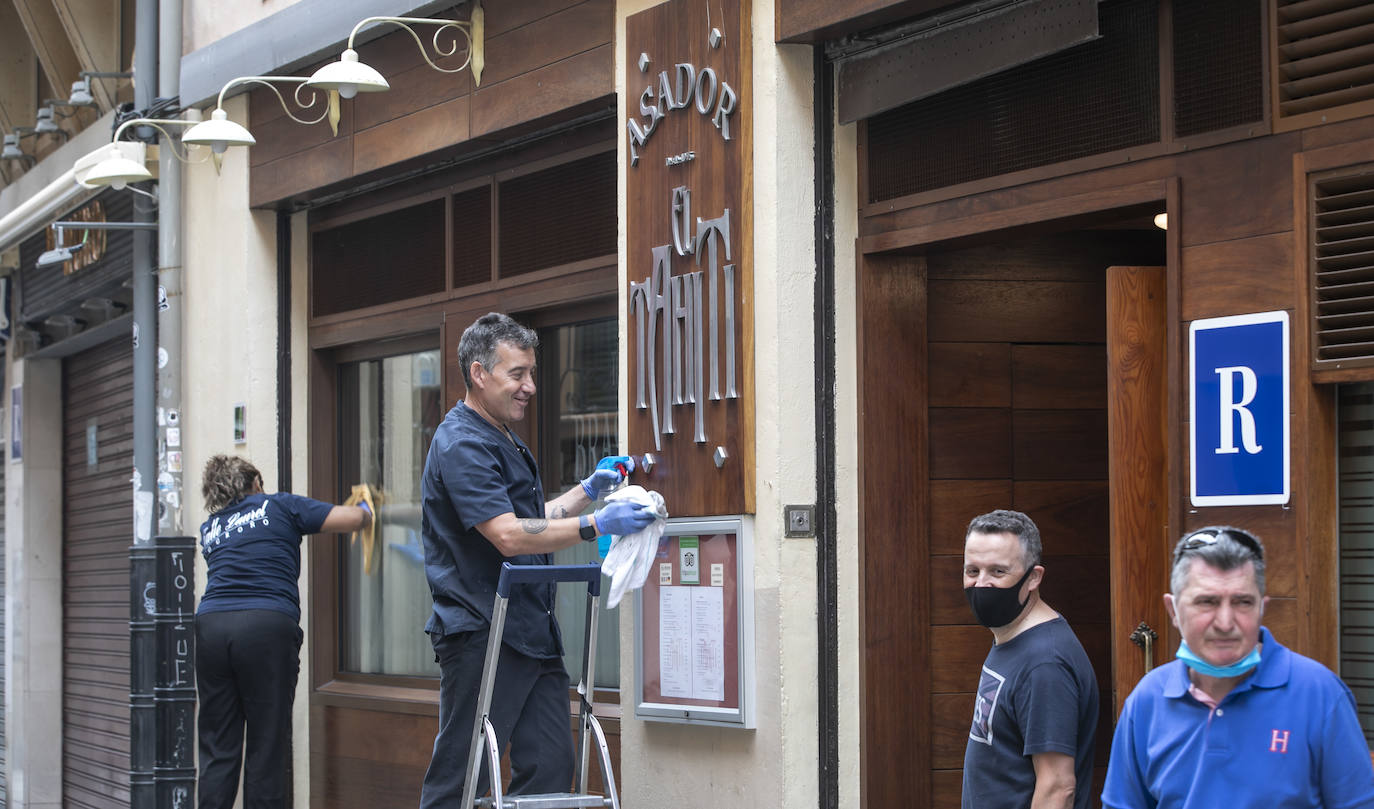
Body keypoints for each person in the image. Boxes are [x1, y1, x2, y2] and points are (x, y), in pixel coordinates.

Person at [418, 312, 658, 807]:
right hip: (483, 632)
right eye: (517, 374)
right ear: (480, 373)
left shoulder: (503, 436)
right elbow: (507, 535)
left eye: (531, 372)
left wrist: (589, 493)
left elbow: (531, 519)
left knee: (551, 767)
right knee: (462, 780)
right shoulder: (462, 441)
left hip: (531, 631)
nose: (530, 386)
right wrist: (595, 526)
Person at [1102, 526, 1374, 809]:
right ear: (1173, 611)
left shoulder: (1320, 695)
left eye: (1242, 602)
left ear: (1261, 608)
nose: (1224, 622)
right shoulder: (1148, 700)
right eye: (1207, 602)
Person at [195, 454, 372, 809]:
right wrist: (369, 504)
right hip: (264, 627)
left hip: (211, 627)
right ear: (256, 483)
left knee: (218, 746)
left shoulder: (211, 527)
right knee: (267, 741)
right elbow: (353, 519)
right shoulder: (279, 505)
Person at [962, 509, 1099, 809]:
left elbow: (1057, 788)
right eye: (973, 571)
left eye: (998, 572)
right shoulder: (1012, 637)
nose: (982, 583)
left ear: (1033, 577)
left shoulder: (1044, 664)